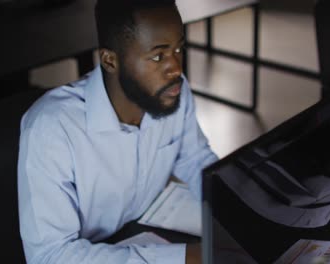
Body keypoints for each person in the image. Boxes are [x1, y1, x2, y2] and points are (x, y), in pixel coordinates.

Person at [17, 0, 218, 263]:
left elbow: (195, 159)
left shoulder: (172, 91)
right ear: (110, 61)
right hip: (86, 250)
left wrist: (234, 206)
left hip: (146, 218)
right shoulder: (52, 131)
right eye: (158, 56)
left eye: (178, 49)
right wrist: (185, 258)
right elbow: (50, 256)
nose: (176, 68)